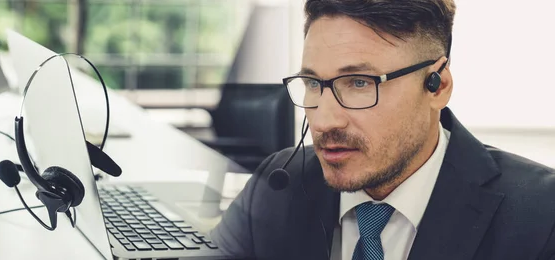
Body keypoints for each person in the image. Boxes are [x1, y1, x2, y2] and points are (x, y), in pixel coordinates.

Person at [209, 0, 555, 259]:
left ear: (437, 86)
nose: (326, 120)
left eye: (359, 83)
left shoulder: (541, 214)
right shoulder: (277, 186)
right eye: (313, 83)